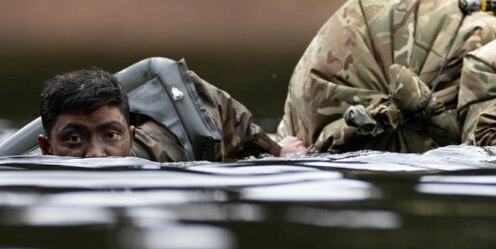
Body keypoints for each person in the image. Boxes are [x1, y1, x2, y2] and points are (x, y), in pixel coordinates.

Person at [37, 65, 305, 161]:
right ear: (46, 147)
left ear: (131, 136)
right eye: (74, 140)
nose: (96, 155)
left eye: (110, 135)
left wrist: (276, 150)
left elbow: (216, 106)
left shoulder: (166, 152)